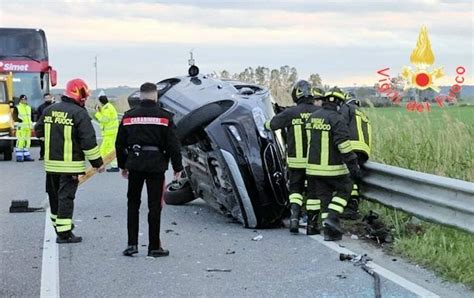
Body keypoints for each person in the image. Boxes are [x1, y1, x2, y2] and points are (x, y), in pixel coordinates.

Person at [116, 82, 183, 258]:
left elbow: (119, 143)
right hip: (156, 165)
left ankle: (132, 245)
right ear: (155, 95)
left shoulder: (129, 116)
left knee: (133, 204)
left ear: (140, 96)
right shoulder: (165, 117)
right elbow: (173, 144)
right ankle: (154, 246)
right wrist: (177, 167)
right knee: (154, 206)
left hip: (135, 164)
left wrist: (123, 165)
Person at [35, 78, 104, 243]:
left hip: (51, 165)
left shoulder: (50, 110)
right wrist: (98, 163)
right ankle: (64, 233)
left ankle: (59, 227)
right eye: (84, 96)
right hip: (70, 166)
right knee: (66, 198)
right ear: (79, 94)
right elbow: (88, 143)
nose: (85, 99)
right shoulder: (79, 113)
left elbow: (38, 131)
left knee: (54, 196)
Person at [264, 80, 323, 234]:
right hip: (315, 163)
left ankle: (294, 219)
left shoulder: (290, 113)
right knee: (313, 194)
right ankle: (312, 225)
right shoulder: (320, 112)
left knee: (295, 190)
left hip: (295, 162)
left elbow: (270, 125)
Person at [305, 87, 362, 241]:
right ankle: (332, 217)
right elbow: (343, 144)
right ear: (339, 102)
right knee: (346, 188)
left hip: (313, 168)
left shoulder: (313, 117)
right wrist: (353, 165)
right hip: (333, 168)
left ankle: (329, 232)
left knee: (325, 199)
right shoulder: (337, 118)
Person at [339, 92, 372, 220]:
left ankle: (349, 206)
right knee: (354, 177)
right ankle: (354, 204)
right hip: (364, 149)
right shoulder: (363, 114)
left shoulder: (346, 109)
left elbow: (339, 124)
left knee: (346, 177)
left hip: (351, 146)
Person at [94, 94, 119, 172]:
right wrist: (100, 111)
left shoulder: (107, 108)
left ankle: (114, 166)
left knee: (109, 149)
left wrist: (97, 113)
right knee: (103, 149)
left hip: (110, 133)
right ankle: (101, 165)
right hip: (109, 132)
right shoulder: (107, 107)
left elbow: (105, 120)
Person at [13, 94, 34, 162]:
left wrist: (32, 124)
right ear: (20, 100)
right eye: (23, 99)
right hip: (21, 127)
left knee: (27, 142)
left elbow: (30, 117)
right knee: (20, 141)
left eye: (25, 99)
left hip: (28, 127)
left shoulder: (29, 107)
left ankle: (26, 156)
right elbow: (14, 117)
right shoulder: (17, 107)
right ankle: (19, 156)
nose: (24, 100)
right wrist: (20, 121)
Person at [37, 93, 55, 160]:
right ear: (44, 99)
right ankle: (42, 155)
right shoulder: (41, 107)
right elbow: (39, 119)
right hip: (44, 127)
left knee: (53, 143)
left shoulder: (54, 106)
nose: (47, 99)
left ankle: (52, 156)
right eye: (46, 98)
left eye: (48, 98)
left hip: (53, 127)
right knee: (42, 143)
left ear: (51, 98)